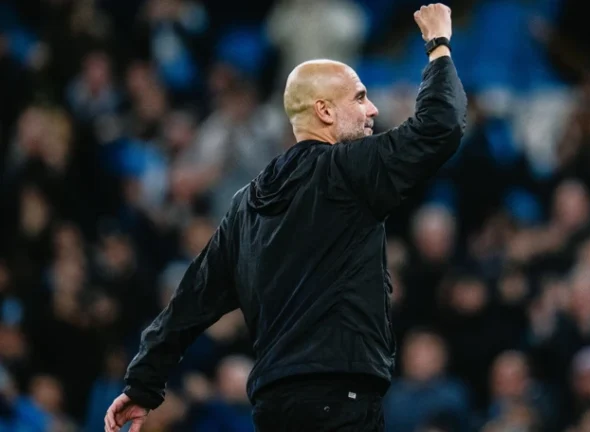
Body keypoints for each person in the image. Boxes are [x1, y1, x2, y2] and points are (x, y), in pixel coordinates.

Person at [104, 3, 466, 431]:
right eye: (360, 97)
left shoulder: (246, 204)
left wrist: (143, 383)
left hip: (274, 407)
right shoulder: (347, 170)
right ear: (324, 111)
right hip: (339, 399)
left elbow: (190, 302)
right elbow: (441, 125)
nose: (372, 110)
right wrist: (438, 44)